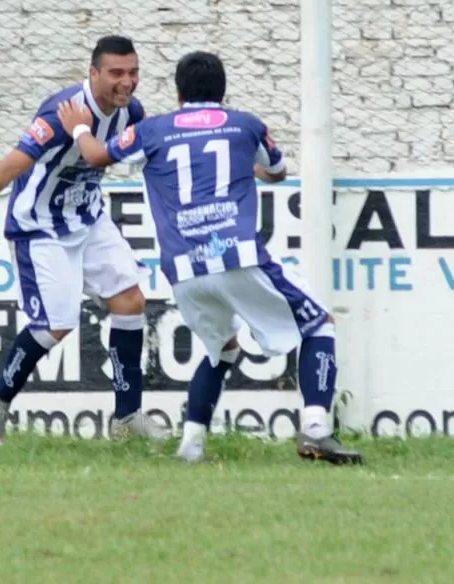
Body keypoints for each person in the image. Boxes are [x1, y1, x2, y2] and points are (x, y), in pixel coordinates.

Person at [56, 50, 364, 465]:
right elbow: (276, 172)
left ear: (179, 92)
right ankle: (316, 430)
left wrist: (78, 129)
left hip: (184, 268)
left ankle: (191, 446)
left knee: (222, 349)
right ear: (223, 90)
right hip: (235, 255)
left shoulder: (153, 130)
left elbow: (95, 156)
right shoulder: (245, 125)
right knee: (317, 324)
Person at [0, 35, 168, 445]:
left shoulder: (133, 112)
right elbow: (10, 166)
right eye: (116, 73)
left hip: (89, 217)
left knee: (130, 302)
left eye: (133, 73)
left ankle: (127, 418)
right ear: (93, 74)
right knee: (57, 324)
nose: (126, 83)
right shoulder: (61, 114)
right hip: (40, 227)